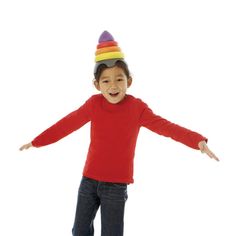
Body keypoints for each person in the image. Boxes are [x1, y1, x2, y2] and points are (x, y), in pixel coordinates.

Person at [19, 31, 219, 236]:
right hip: (88, 180)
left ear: (129, 81)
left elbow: (167, 127)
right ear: (96, 85)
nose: (113, 85)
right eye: (106, 81)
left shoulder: (136, 108)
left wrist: (197, 141)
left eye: (119, 79)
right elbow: (67, 124)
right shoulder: (93, 104)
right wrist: (37, 141)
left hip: (115, 186)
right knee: (79, 231)